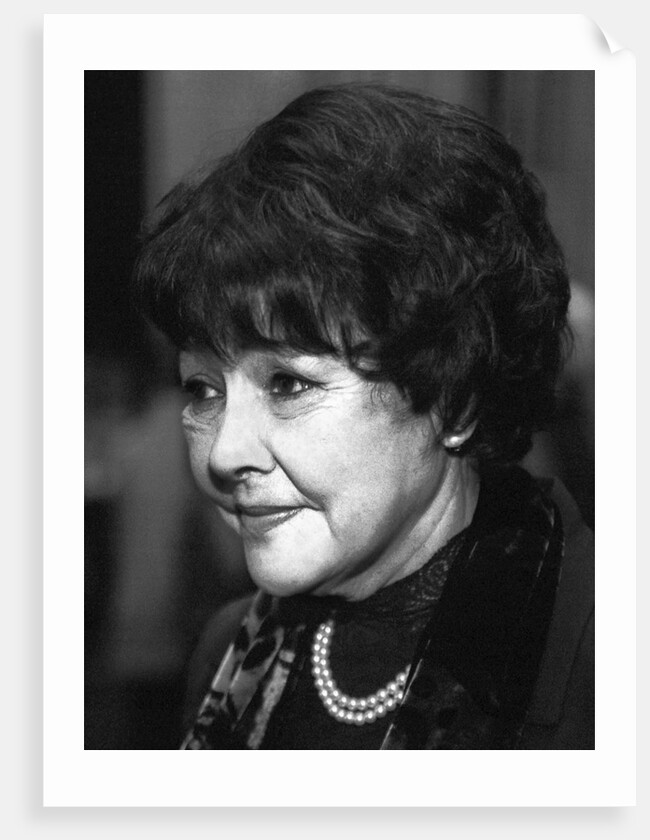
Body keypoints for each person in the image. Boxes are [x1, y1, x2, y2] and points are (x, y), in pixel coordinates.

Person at [134, 83, 594, 749]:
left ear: (453, 398)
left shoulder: (597, 655)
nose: (224, 453)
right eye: (203, 390)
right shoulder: (225, 654)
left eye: (289, 383)